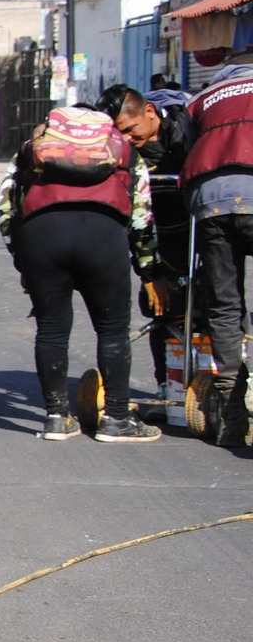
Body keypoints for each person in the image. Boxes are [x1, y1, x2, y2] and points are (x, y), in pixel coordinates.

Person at [0, 106, 159, 442]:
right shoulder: (123, 150)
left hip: (41, 237)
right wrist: (148, 268)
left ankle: (56, 417)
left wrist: (23, 261)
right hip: (104, 235)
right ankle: (116, 419)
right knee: (112, 329)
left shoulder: (32, 148)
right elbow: (142, 215)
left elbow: (6, 210)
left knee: (52, 329)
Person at [99, 83, 194, 399]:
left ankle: (218, 385)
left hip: (199, 234)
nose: (126, 138)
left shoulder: (187, 132)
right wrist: (151, 275)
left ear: (149, 112)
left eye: (129, 129)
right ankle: (169, 385)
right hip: (155, 240)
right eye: (119, 133)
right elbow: (137, 222)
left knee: (210, 311)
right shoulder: (125, 155)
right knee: (162, 312)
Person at [183, 54, 253, 445]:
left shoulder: (203, 98)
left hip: (210, 202)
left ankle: (231, 414)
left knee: (226, 304)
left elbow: (188, 148)